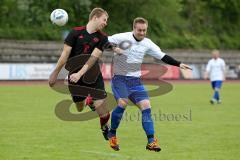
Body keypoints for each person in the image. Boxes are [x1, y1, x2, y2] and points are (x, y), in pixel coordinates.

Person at [107, 17, 192, 152]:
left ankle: (151, 141)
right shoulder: (122, 37)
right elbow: (104, 42)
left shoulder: (148, 43)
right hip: (120, 79)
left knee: (146, 106)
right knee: (122, 103)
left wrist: (179, 64)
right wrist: (114, 48)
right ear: (133, 28)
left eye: (144, 30)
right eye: (139, 30)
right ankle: (112, 133)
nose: (142, 32)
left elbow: (163, 56)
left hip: (135, 81)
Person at [49, 8, 111, 140]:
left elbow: (93, 58)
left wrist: (80, 73)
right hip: (74, 76)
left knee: (103, 111)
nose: (106, 23)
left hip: (93, 75)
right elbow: (65, 54)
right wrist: (55, 73)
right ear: (95, 17)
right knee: (79, 107)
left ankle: (105, 128)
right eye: (104, 20)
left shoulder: (103, 37)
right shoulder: (75, 33)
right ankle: (87, 101)